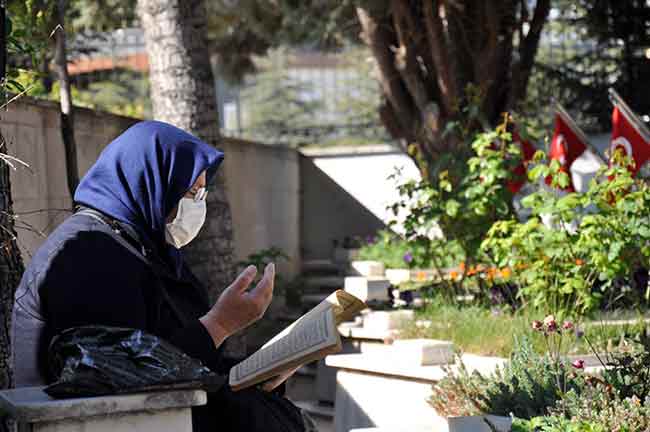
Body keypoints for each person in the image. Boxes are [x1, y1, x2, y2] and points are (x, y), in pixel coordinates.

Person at [11, 121, 306, 431]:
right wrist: (219, 325)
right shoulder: (88, 254)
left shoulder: (139, 247)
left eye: (202, 193)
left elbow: (170, 352)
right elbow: (120, 373)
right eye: (191, 192)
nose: (197, 205)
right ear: (151, 182)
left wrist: (256, 372)